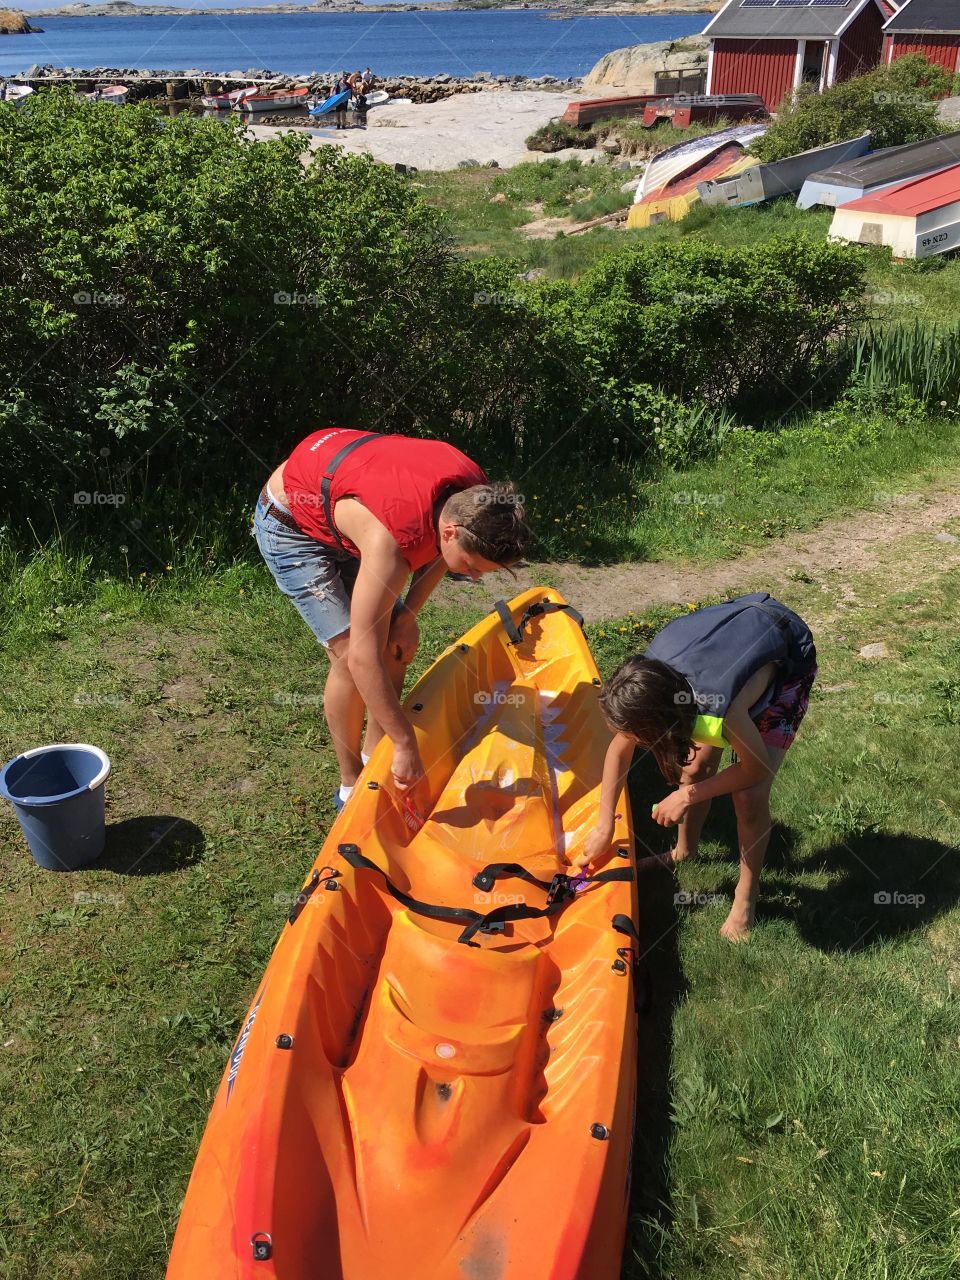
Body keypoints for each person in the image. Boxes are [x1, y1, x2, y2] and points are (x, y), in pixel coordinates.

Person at [254, 428, 529, 812]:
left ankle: (375, 759)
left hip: (353, 512)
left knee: (399, 643)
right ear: (450, 532)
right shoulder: (391, 542)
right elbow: (364, 656)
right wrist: (407, 742)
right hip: (292, 524)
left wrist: (407, 616)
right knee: (350, 656)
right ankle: (350, 786)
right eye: (470, 567)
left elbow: (437, 551)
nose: (474, 577)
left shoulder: (473, 496)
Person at [579, 593, 817, 942]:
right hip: (727, 647)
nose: (632, 739)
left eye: (639, 734)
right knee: (695, 768)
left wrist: (686, 796)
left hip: (786, 659)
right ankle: (684, 851)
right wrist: (603, 824)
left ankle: (745, 898)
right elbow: (619, 750)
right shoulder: (646, 681)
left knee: (749, 797)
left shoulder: (720, 708)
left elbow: (757, 769)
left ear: (662, 722)